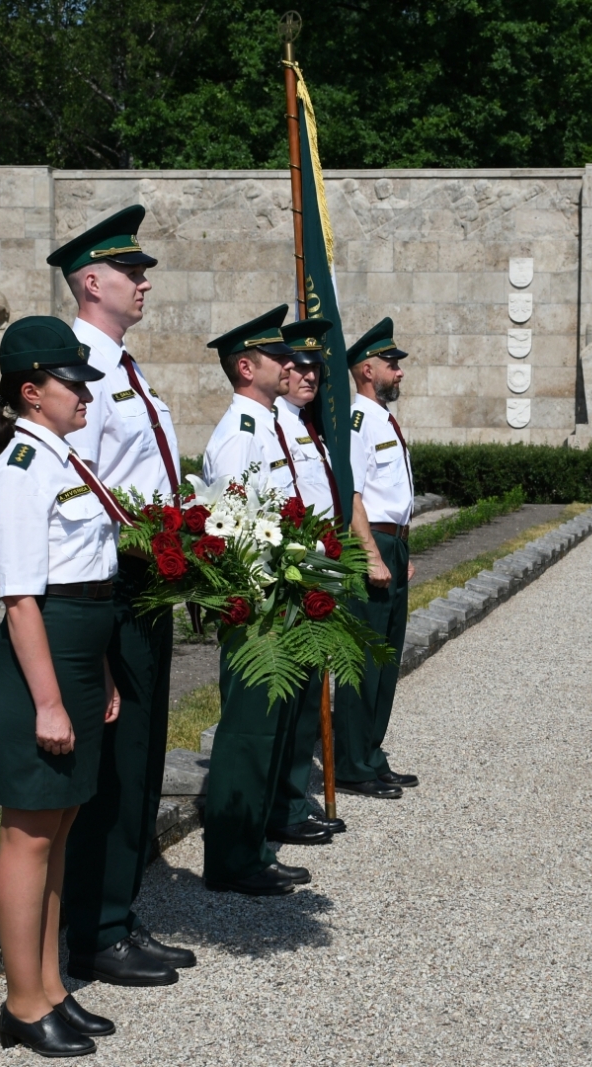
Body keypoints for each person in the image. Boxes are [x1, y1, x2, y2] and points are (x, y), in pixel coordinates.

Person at [48, 204, 195, 987]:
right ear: (91, 280)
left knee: (142, 753)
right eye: (131, 271)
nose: (143, 282)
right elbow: (82, 491)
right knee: (117, 756)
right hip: (113, 577)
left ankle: (119, 911)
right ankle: (97, 928)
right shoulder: (79, 370)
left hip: (150, 573)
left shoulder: (123, 366)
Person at [0, 316, 124, 1057]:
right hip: (44, 654)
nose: (86, 394)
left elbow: (89, 575)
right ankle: (21, 1001)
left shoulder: (65, 460)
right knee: (29, 833)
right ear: (32, 391)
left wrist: (96, 672)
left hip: (77, 648)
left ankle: (52, 983)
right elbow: (23, 598)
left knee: (60, 825)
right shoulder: (21, 471)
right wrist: (47, 700)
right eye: (74, 382)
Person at [200, 305, 311, 896]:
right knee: (248, 731)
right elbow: (235, 525)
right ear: (246, 367)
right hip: (257, 597)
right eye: (276, 356)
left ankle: (257, 845)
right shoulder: (239, 434)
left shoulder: (268, 424)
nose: (290, 363)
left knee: (273, 728)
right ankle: (232, 857)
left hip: (283, 592)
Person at [268, 318, 349, 847]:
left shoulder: (301, 422)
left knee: (305, 700)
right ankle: (285, 805)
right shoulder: (270, 422)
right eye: (297, 366)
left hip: (317, 563)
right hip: (289, 571)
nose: (309, 375)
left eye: (316, 367)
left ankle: (294, 801)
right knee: (290, 702)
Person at [333, 318, 419, 800]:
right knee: (362, 660)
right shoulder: (357, 421)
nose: (399, 372)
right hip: (373, 545)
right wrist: (370, 555)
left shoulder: (383, 418)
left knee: (386, 661)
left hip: (393, 544)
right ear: (366, 369)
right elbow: (354, 495)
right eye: (392, 364)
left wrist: (402, 550)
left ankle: (371, 754)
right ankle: (350, 763)